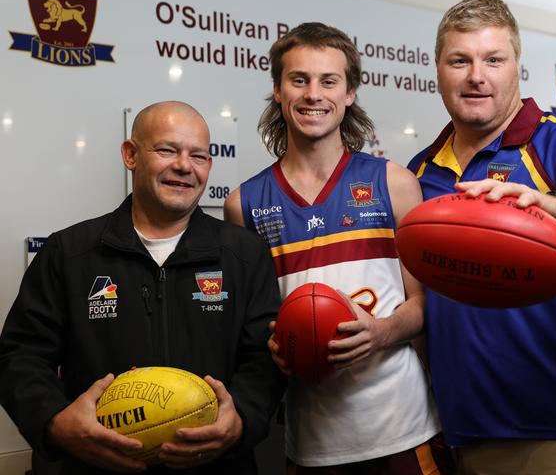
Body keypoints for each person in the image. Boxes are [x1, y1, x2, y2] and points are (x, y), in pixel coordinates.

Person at [408, 0, 556, 474]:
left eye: (493, 59)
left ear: (517, 67)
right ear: (438, 69)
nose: (477, 75)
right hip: (457, 431)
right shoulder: (421, 171)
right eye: (461, 60)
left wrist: (552, 206)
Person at [0, 101, 286, 474]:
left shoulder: (244, 255)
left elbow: (265, 359)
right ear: (131, 155)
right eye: (167, 150)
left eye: (198, 155)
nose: (184, 166)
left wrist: (241, 419)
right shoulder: (69, 253)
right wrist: (55, 422)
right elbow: (20, 357)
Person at [225, 23, 452, 474]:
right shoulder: (243, 204)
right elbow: (252, 326)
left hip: (405, 432)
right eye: (299, 79)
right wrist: (273, 345)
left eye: (329, 81)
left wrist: (382, 332)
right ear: (277, 90)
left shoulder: (394, 183)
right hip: (312, 442)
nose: (314, 94)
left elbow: (425, 304)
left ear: (349, 93)